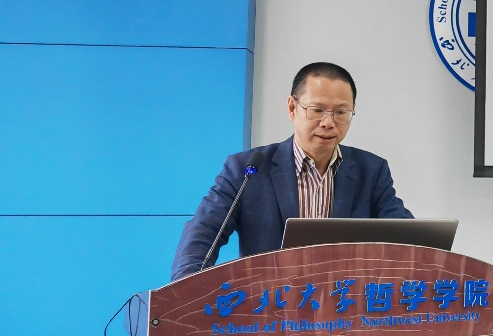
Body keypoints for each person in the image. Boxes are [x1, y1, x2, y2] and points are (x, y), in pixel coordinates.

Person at [170, 62, 412, 280]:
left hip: (345, 305)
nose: (328, 123)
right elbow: (203, 233)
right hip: (270, 306)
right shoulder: (248, 169)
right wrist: (185, 289)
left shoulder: (371, 170)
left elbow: (405, 236)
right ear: (292, 108)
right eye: (317, 110)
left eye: (340, 112)